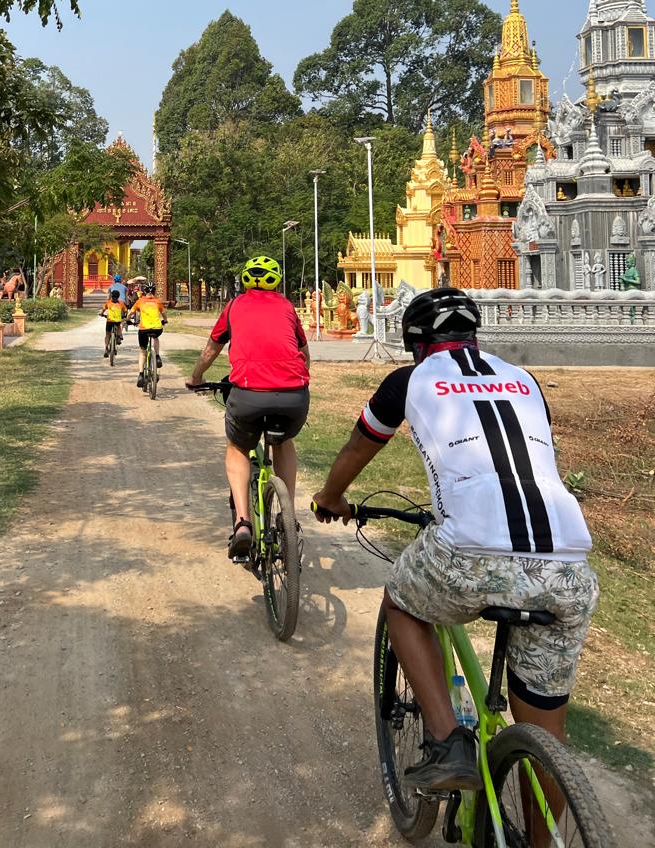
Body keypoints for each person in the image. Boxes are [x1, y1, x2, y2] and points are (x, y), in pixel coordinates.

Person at [311, 287, 597, 794]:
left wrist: (330, 497)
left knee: (401, 603)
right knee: (544, 736)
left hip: (470, 552)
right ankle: (545, 804)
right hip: (567, 564)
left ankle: (448, 742)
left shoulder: (409, 379)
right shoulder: (524, 379)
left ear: (415, 344)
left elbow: (358, 447)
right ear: (475, 337)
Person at [185, 256, 310, 560]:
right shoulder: (287, 307)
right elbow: (304, 354)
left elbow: (211, 349)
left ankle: (242, 524)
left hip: (248, 395)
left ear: (243, 280)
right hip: (294, 396)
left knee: (238, 447)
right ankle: (288, 517)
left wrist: (196, 377)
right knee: (283, 442)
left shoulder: (234, 306)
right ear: (276, 281)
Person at [126, 283, 166, 387]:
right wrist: (165, 321)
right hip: (157, 329)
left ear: (144, 291)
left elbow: (130, 313)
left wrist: (128, 320)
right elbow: (164, 314)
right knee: (156, 338)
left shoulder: (140, 301)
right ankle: (157, 356)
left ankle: (140, 375)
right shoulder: (158, 301)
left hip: (143, 329)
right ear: (154, 291)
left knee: (143, 351)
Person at [100, 287, 127, 356]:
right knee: (118, 326)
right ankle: (119, 336)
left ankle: (106, 348)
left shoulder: (108, 303)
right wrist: (124, 316)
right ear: (118, 297)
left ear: (111, 296)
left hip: (109, 321)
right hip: (117, 320)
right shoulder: (121, 303)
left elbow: (103, 310)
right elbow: (125, 310)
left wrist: (101, 314)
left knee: (107, 334)